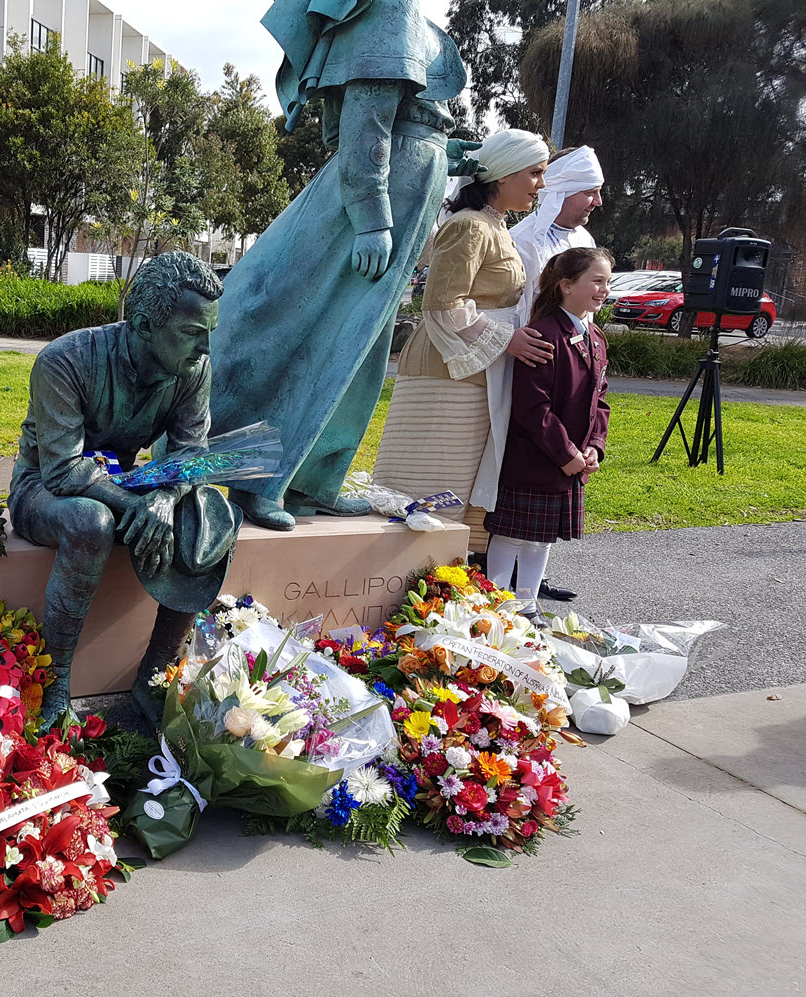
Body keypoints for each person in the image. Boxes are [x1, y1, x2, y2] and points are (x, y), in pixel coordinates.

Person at [205, 0, 474, 530]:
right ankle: (261, 479)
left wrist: (447, 153)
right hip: (376, 204)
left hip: (402, 190)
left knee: (360, 345)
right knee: (324, 336)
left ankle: (312, 480)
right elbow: (364, 127)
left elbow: (397, 125)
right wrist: (373, 218)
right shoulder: (390, 8)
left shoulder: (406, 17)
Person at [9, 251, 238, 723]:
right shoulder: (65, 361)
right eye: (193, 334)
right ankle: (54, 688)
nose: (205, 349)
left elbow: (191, 454)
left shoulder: (192, 371)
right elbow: (62, 471)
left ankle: (155, 678)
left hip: (130, 488)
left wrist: (164, 497)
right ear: (144, 324)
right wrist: (137, 504)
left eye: (210, 334)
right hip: (44, 492)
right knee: (90, 522)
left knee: (212, 516)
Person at [371, 128, 553, 555]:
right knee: (433, 474)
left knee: (463, 478)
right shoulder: (469, 226)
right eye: (534, 173)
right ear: (503, 175)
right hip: (446, 368)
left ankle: (447, 577)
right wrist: (507, 340)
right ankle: (403, 572)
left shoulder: (494, 226)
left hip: (477, 367)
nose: (540, 185)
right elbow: (442, 304)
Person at [484, 246, 613, 621]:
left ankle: (525, 607)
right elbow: (531, 407)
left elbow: (600, 401)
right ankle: (494, 606)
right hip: (535, 458)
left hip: (569, 460)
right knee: (511, 535)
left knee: (541, 539)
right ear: (566, 286)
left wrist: (593, 448)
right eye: (596, 280)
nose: (604, 289)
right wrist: (566, 453)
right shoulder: (544, 334)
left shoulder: (596, 337)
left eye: (608, 281)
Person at [507, 145, 605, 602]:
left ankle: (531, 582)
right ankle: (501, 578)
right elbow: (518, 308)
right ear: (563, 190)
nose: (597, 202)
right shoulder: (526, 237)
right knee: (522, 481)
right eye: (591, 191)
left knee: (551, 481)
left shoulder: (582, 243)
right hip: (534, 361)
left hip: (573, 363)